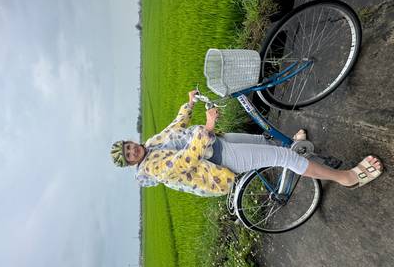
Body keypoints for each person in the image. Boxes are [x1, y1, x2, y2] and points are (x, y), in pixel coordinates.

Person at [110, 90, 383, 197]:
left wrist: (189, 103)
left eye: (129, 146)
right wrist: (206, 127)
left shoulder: (152, 143)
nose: (134, 150)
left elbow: (175, 127)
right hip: (219, 160)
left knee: (263, 140)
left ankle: (293, 148)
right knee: (283, 159)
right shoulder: (153, 168)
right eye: (130, 155)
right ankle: (346, 178)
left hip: (217, 142)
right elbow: (184, 161)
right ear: (132, 163)